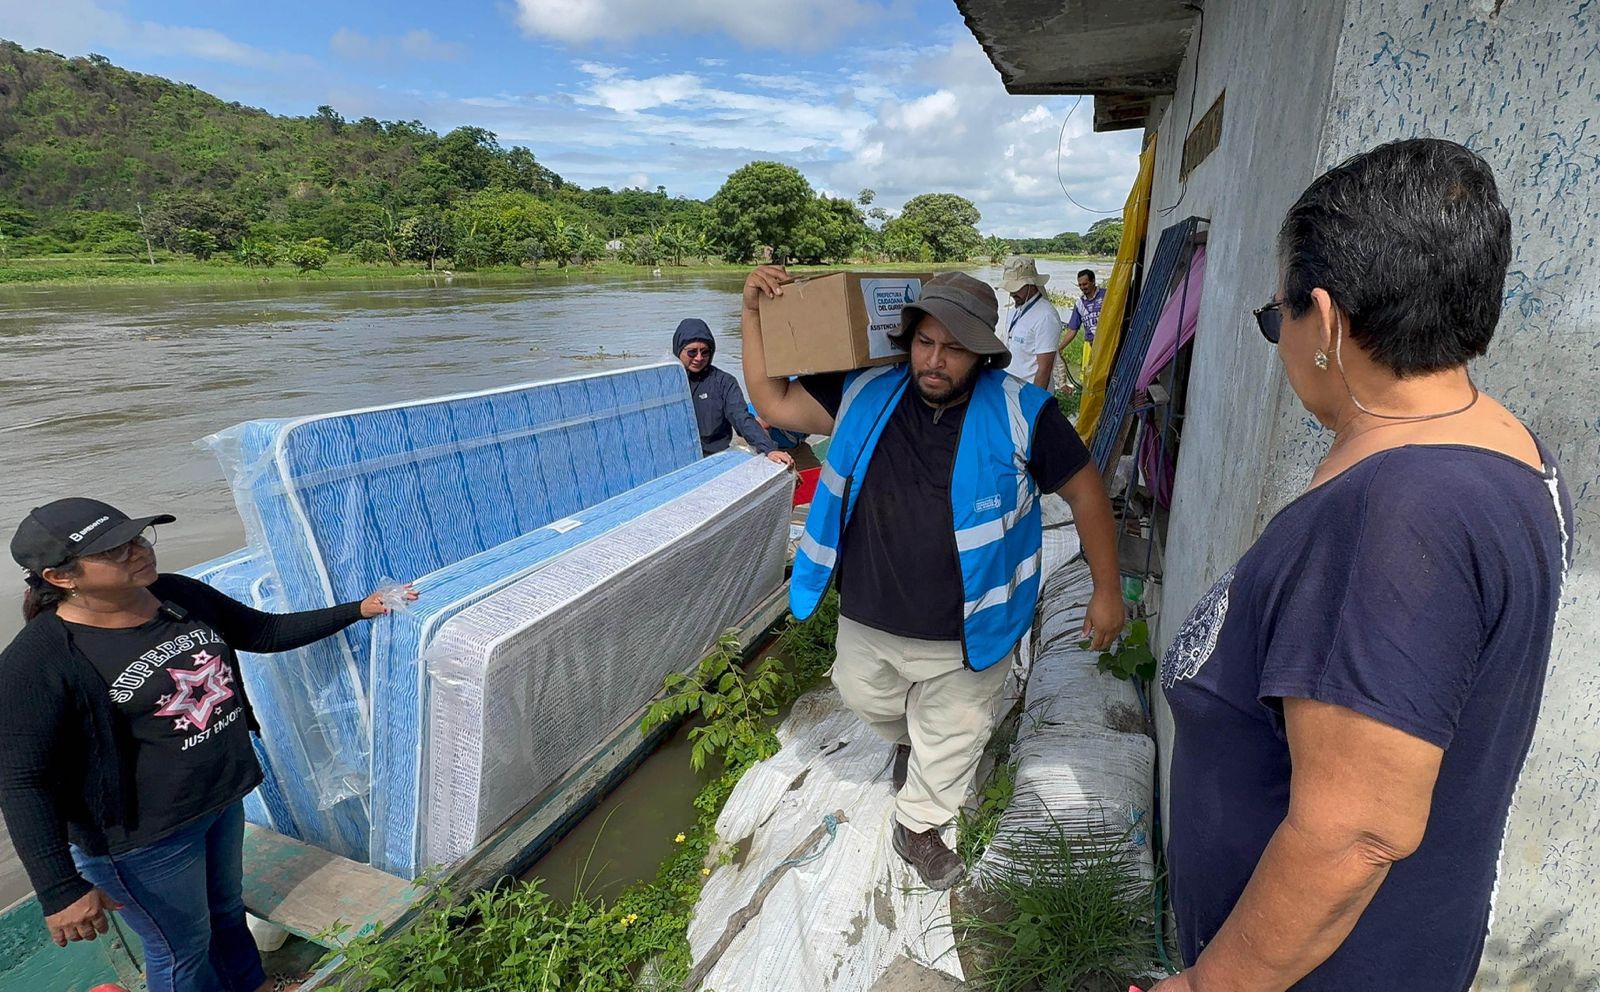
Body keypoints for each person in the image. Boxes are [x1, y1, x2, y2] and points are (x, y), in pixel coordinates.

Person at [1149, 138, 1572, 991]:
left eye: (1279, 318)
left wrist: (1208, 985)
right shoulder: (1498, 444)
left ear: (1329, 323)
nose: (1279, 340)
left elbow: (1356, 834)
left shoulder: (1400, 514)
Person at [741, 268, 1126, 891]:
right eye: (925, 342)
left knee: (956, 731)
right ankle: (906, 740)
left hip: (969, 627)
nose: (936, 360)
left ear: (983, 353)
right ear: (909, 339)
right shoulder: (864, 391)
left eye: (954, 348)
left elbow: (1086, 493)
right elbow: (771, 400)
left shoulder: (1024, 410)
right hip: (869, 611)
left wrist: (1107, 590)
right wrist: (752, 310)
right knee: (862, 693)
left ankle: (919, 824)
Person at [0, 498, 418, 992]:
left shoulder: (175, 595)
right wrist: (59, 888)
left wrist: (359, 610)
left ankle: (250, 985)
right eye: (114, 551)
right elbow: (22, 779)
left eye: (136, 537)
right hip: (143, 840)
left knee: (224, 912)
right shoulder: (38, 661)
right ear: (61, 576)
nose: (136, 552)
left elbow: (261, 631)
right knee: (180, 951)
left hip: (218, 800)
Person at [673, 318, 793, 466]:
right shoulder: (665, 382)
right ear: (678, 350)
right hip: (677, 460)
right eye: (692, 352)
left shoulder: (724, 382)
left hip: (714, 459)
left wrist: (769, 449)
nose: (699, 358)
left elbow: (742, 418)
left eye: (705, 352)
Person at [999, 255, 1066, 391]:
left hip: (1029, 394)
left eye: (1016, 288)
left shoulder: (1046, 316)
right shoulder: (1016, 309)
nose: (1012, 293)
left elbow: (1044, 369)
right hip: (1011, 389)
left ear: (1031, 284)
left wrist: (1033, 403)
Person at [1066, 268, 1105, 370]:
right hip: (1091, 345)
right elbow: (1073, 329)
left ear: (1093, 282)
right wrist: (1060, 348)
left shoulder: (1106, 295)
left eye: (1085, 284)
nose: (1082, 287)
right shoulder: (1079, 303)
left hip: (1107, 344)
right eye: (1080, 285)